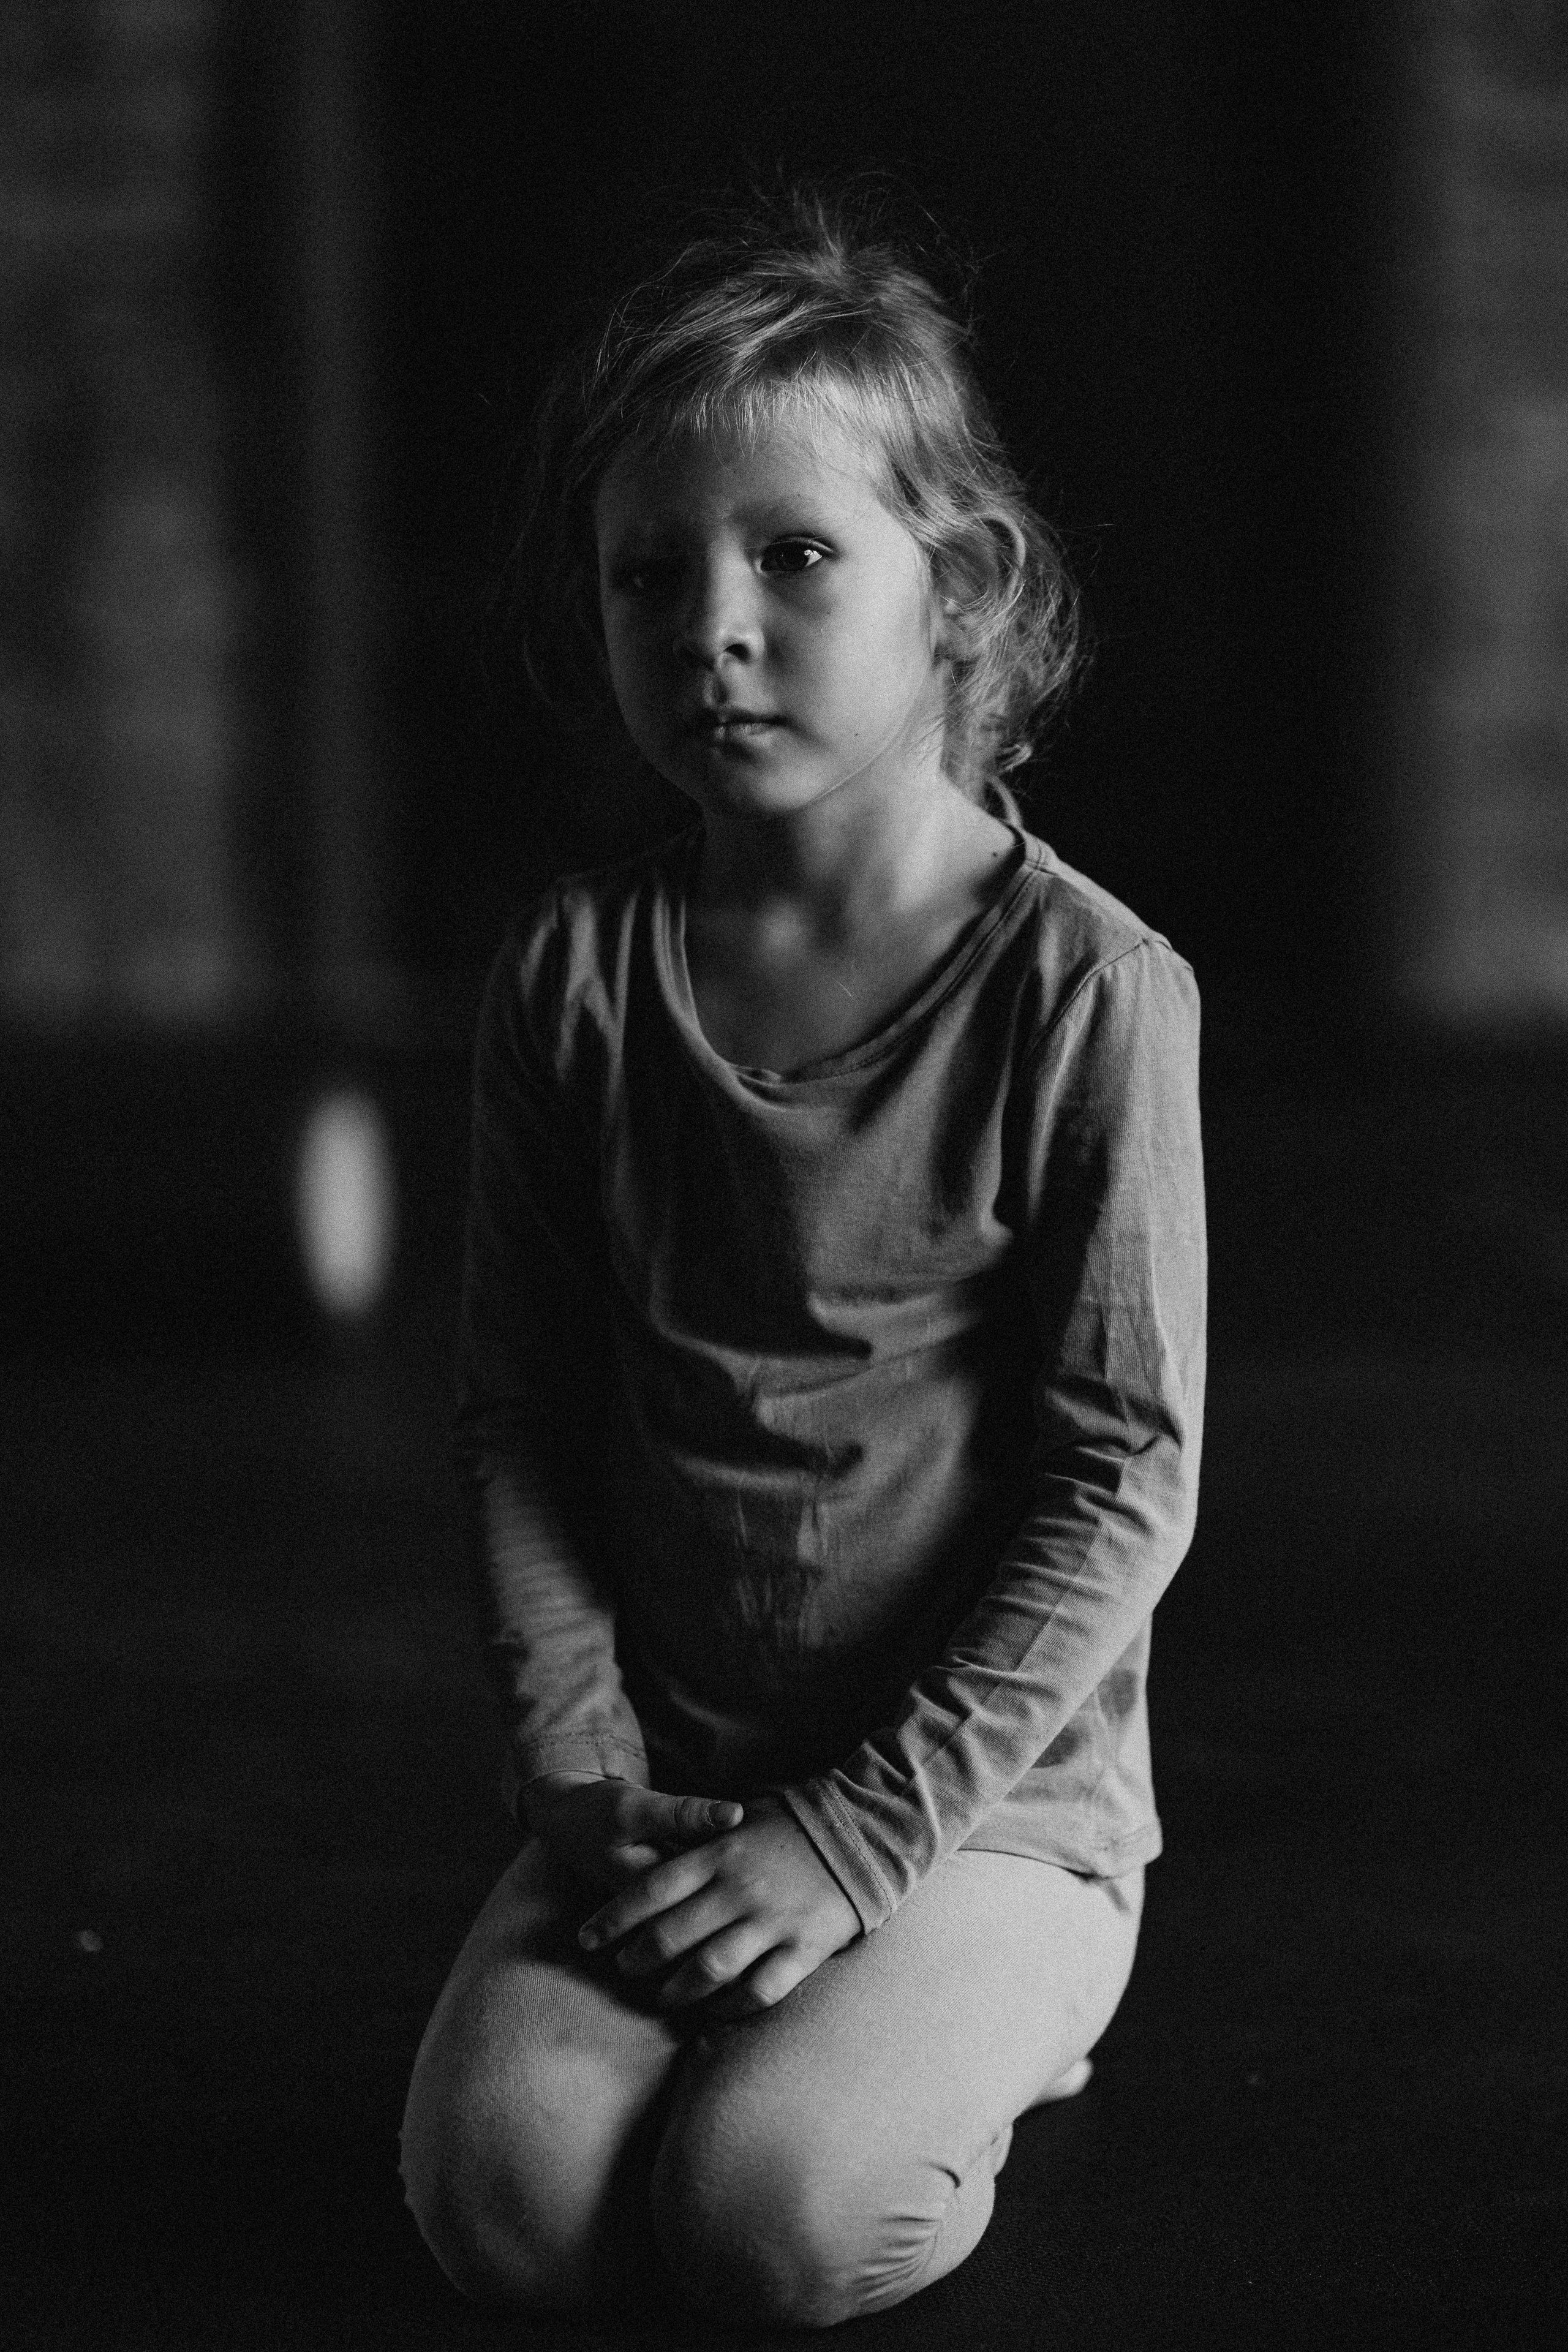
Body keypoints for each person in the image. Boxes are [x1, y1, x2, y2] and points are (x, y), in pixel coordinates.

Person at [399, 187, 1205, 2331]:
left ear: (962, 588)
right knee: (507, 2206)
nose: (713, 625)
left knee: (769, 2222)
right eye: (651, 572)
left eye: (795, 555)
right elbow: (522, 1416)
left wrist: (849, 1849)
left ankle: (1012, 2003)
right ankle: (779, 2012)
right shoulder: (575, 975)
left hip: (973, 1806)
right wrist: (581, 1771)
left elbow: (1121, 1475)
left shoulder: (1089, 991)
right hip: (667, 1785)